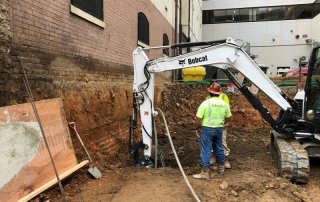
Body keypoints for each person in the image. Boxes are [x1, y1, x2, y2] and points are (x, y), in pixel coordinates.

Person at [193, 82, 232, 179]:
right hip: (219, 129)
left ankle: (205, 173)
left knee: (206, 149)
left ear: (209, 92)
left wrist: (197, 128)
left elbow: (198, 119)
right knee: (219, 147)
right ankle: (221, 168)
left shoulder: (205, 103)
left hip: (207, 129)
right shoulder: (223, 104)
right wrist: (222, 123)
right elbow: (229, 117)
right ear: (219, 93)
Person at [209, 85, 232, 169]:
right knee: (212, 140)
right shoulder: (208, 97)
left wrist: (226, 122)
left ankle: (225, 158)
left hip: (221, 123)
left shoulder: (224, 97)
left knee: (222, 140)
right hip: (211, 123)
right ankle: (213, 157)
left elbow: (227, 111)